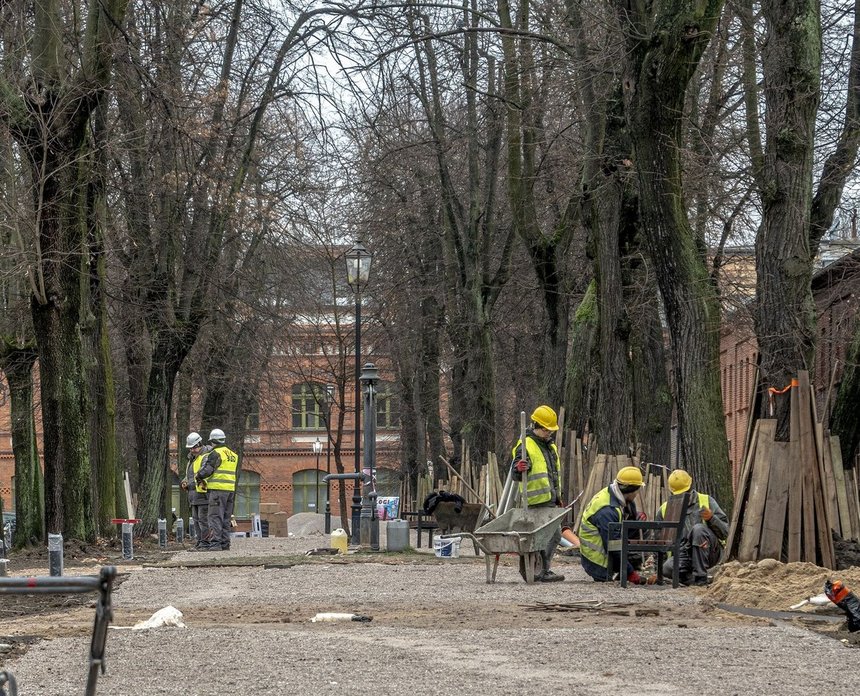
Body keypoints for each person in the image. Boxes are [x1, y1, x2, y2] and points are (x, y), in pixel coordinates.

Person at [510, 405, 565, 582]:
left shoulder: (550, 446)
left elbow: (553, 474)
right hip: (535, 501)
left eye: (551, 430)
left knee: (553, 535)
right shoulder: (525, 445)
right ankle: (538, 570)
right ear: (537, 426)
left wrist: (557, 497)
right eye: (546, 429)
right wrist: (519, 468)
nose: (549, 432)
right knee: (545, 536)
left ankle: (542, 569)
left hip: (549, 499)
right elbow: (515, 473)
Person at [656, 469, 728, 586]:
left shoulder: (706, 501)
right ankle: (700, 578)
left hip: (709, 553)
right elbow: (659, 544)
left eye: (685, 493)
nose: (683, 497)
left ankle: (700, 578)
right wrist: (657, 571)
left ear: (690, 488)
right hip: (685, 556)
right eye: (680, 494)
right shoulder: (665, 510)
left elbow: (725, 533)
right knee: (666, 568)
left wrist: (712, 519)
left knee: (698, 529)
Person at [578, 466, 649, 584]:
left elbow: (625, 521)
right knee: (606, 578)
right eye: (637, 490)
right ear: (631, 490)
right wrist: (630, 573)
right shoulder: (608, 510)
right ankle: (623, 569)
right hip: (597, 560)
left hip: (603, 548)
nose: (637, 494)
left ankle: (626, 567)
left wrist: (636, 516)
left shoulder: (616, 496)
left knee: (640, 528)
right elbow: (613, 545)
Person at [196, 428, 239, 551]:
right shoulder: (233, 455)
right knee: (226, 517)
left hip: (217, 491)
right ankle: (225, 543)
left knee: (215, 517)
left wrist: (199, 475)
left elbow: (208, 470)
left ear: (213, 441)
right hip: (230, 490)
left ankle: (215, 544)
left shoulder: (215, 453)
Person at [181, 432, 212, 550]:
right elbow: (189, 475)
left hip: (203, 494)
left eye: (194, 447)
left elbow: (203, 475)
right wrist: (185, 481)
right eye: (190, 448)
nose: (192, 450)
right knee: (196, 520)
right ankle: (200, 542)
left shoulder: (206, 457)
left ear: (199, 444)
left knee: (203, 520)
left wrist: (189, 484)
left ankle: (205, 542)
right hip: (194, 495)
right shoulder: (192, 459)